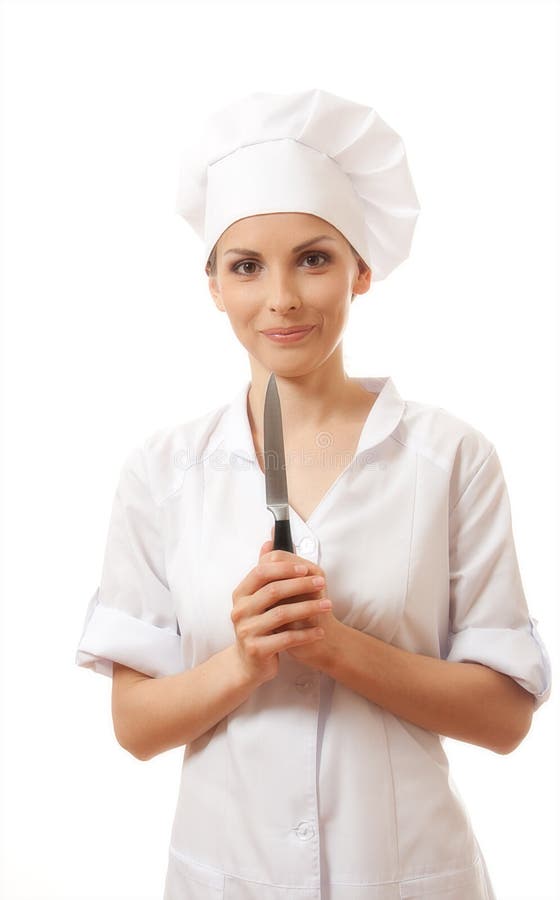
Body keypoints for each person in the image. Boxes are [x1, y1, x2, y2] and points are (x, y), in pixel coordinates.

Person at [75, 88, 552, 900]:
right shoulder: (162, 472)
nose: (283, 298)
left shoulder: (450, 457)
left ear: (362, 270)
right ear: (214, 285)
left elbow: (505, 718)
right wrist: (246, 662)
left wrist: (337, 646)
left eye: (315, 258)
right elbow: (135, 727)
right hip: (227, 875)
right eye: (248, 266)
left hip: (405, 877)